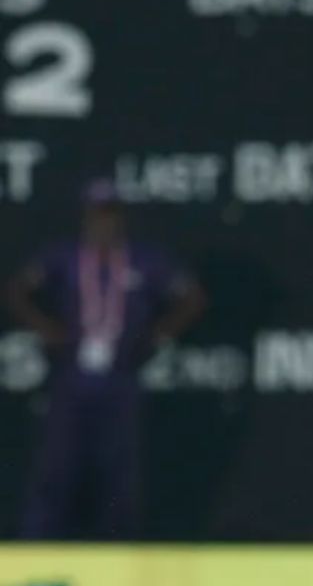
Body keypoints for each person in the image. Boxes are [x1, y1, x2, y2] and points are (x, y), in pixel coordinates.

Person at [5, 180, 205, 539]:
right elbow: (19, 289)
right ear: (86, 218)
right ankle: (39, 546)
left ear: (120, 218)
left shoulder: (144, 259)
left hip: (121, 376)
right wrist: (45, 327)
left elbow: (191, 296)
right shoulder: (64, 257)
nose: (103, 224)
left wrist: (158, 334)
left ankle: (117, 547)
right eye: (97, 216)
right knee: (57, 466)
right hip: (71, 377)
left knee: (120, 471)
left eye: (110, 215)